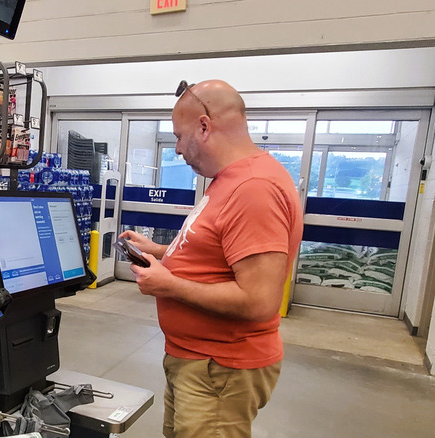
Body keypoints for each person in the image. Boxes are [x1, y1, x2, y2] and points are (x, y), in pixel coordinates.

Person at [119, 79, 303, 438]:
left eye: (178, 135)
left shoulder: (253, 189)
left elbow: (259, 300)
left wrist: (168, 284)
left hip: (219, 369)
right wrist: (159, 252)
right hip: (199, 362)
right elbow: (217, 254)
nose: (176, 149)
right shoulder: (228, 180)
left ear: (204, 126)